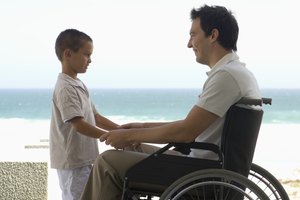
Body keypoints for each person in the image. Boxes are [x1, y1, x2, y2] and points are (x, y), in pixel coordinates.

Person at [80, 4, 261, 200]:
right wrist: (140, 128)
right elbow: (191, 126)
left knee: (107, 162)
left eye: (193, 35)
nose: (189, 44)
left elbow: (186, 132)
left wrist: (130, 134)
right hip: (205, 164)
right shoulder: (236, 73)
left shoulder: (227, 76)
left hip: (200, 172)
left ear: (213, 35)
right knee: (135, 147)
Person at [49, 29, 119, 200]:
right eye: (87, 55)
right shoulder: (65, 87)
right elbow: (79, 125)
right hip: (73, 161)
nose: (90, 60)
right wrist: (109, 136)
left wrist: (122, 131)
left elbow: (96, 118)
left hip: (85, 158)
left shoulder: (78, 84)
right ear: (68, 54)